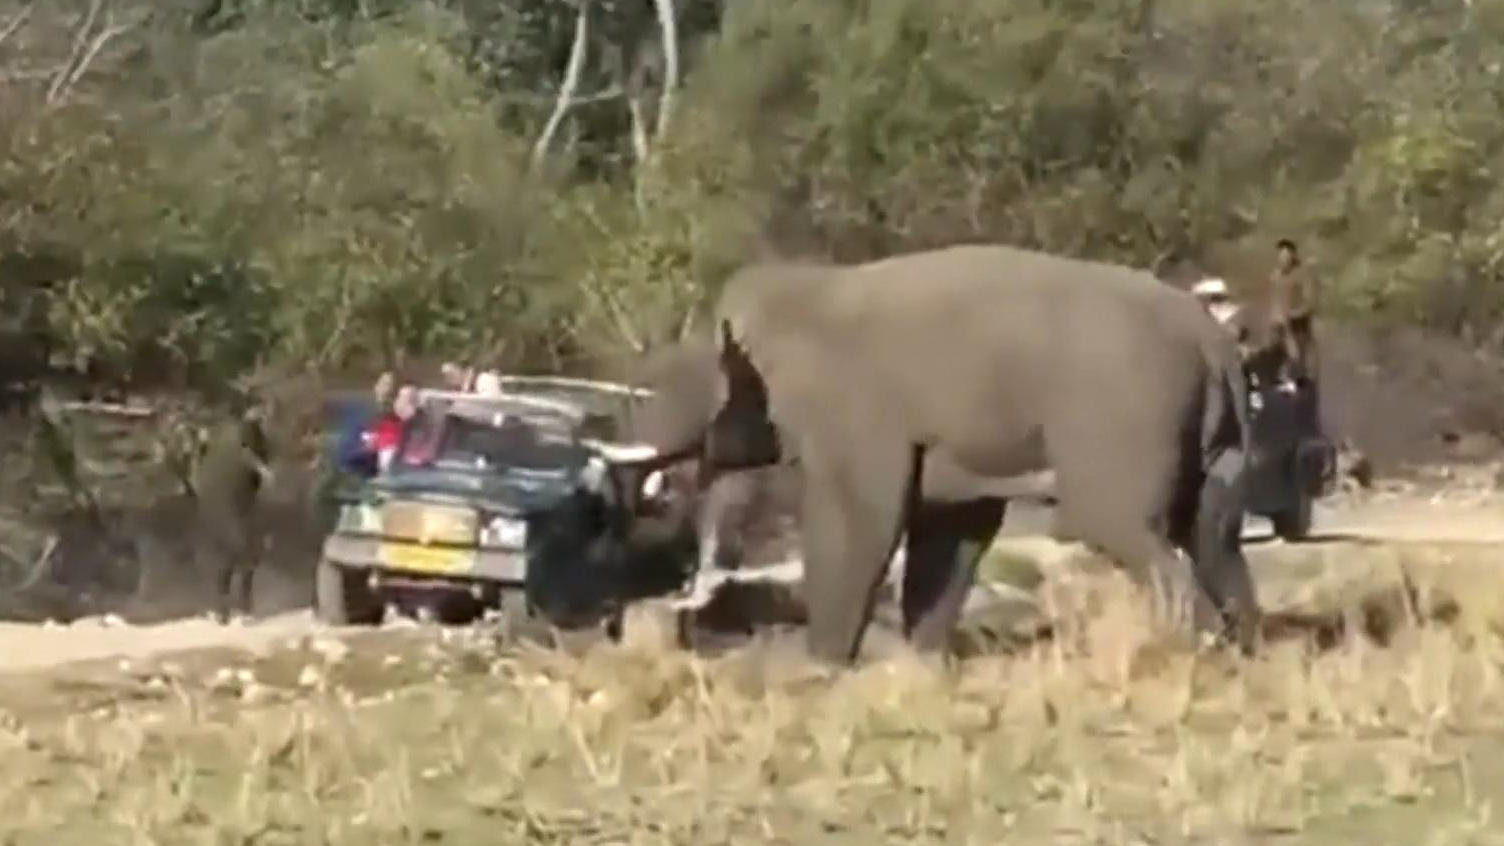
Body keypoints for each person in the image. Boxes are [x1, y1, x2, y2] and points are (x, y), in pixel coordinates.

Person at [1267, 238, 1319, 385]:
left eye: (1286, 255)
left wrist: (1293, 314)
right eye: (1280, 255)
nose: (1282, 259)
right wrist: (1274, 319)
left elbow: (1310, 303)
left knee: (1300, 366)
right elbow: (1274, 302)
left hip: (1298, 329)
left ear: (1293, 256)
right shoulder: (1275, 276)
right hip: (1279, 329)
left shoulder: (1303, 275)